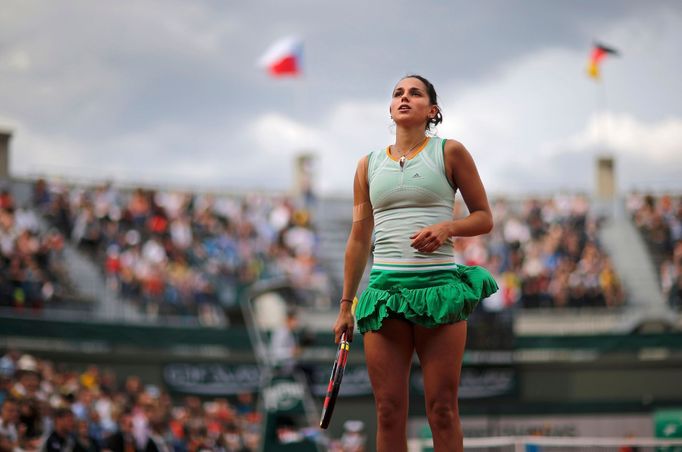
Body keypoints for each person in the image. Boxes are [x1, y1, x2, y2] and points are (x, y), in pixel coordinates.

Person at [333, 75, 498, 452]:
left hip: (438, 290)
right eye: (397, 93)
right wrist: (346, 306)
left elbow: (484, 217)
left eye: (415, 93)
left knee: (442, 409)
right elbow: (359, 239)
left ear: (432, 110)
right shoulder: (367, 165)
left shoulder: (450, 152)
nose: (405, 98)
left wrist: (448, 227)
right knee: (388, 410)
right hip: (384, 295)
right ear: (391, 109)